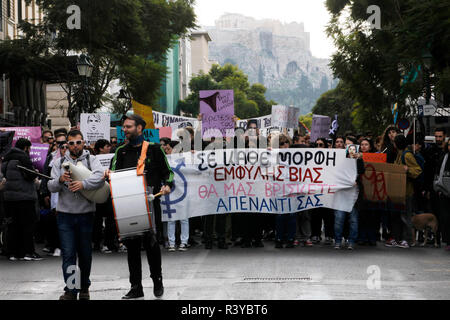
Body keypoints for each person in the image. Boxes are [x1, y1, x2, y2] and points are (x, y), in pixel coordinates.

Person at [109, 114, 173, 299]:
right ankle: (136, 286)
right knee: (132, 248)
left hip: (150, 202)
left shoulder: (153, 149)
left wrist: (167, 184)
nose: (125, 130)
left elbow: (167, 172)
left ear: (140, 129)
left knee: (152, 245)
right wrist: (109, 175)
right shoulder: (120, 151)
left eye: (129, 127)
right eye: (124, 127)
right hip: (128, 205)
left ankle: (157, 280)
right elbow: (114, 175)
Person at [48, 130, 105, 300]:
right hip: (65, 215)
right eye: (71, 143)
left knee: (85, 253)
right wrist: (60, 180)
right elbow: (50, 186)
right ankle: (72, 289)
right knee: (68, 254)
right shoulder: (58, 162)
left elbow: (100, 178)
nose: (75, 146)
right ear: (67, 145)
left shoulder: (91, 159)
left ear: (83, 142)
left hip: (86, 214)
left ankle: (85, 287)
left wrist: (83, 184)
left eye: (78, 142)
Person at [1, 138, 42, 261]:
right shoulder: (22, 157)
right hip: (24, 197)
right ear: (25, 148)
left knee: (13, 225)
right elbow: (29, 175)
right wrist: (35, 172)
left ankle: (13, 253)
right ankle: (28, 252)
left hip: (9, 198)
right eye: (29, 148)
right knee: (27, 225)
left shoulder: (6, 158)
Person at [386, 134, 422, 249]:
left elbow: (417, 170)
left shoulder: (407, 155)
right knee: (399, 216)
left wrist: (408, 169)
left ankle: (408, 240)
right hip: (399, 191)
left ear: (396, 144)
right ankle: (400, 239)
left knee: (406, 216)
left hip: (407, 191)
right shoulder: (400, 154)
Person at [334, 136, 365, 250]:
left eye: (350, 145)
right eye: (345, 145)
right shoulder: (338, 157)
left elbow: (362, 171)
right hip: (341, 192)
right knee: (339, 218)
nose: (347, 147)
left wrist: (359, 159)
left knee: (353, 219)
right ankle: (337, 240)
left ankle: (351, 241)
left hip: (353, 193)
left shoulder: (358, 158)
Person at [164, 141, 190, 252]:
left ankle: (184, 242)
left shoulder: (185, 160)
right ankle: (172, 243)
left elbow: (193, 170)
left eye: (169, 148)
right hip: (170, 192)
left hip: (183, 192)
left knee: (184, 218)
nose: (166, 150)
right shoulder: (164, 160)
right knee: (171, 219)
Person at [423, 128, 447, 246]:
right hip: (433, 187)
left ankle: (444, 237)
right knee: (432, 213)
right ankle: (434, 237)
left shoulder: (445, 152)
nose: (438, 139)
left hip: (445, 188)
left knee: (443, 214)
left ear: (444, 137)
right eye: (436, 136)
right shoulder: (430, 151)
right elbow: (427, 171)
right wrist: (427, 189)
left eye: (440, 136)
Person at [273, 134, 297, 248]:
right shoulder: (273, 156)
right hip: (279, 190)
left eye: (286, 142)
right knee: (281, 215)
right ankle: (279, 238)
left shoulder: (295, 156)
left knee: (292, 215)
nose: (285, 145)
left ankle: (290, 238)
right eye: (281, 143)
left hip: (291, 189)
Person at [357, 138, 378, 246]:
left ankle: (371, 237)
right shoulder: (356, 157)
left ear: (370, 147)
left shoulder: (376, 157)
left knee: (372, 215)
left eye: (366, 144)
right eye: (362, 144)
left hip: (373, 189)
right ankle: (361, 237)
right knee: (362, 214)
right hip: (360, 189)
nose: (364, 146)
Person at [434, 141, 450, 251]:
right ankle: (448, 241)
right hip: (445, 192)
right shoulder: (443, 158)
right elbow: (437, 173)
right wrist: (438, 188)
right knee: (446, 217)